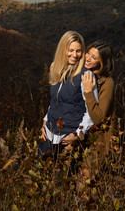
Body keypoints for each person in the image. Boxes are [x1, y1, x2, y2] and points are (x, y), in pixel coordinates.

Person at [39, 31, 96, 160]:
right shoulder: (56, 69)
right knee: (42, 174)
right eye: (70, 50)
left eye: (78, 51)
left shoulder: (86, 75)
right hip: (48, 134)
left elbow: (91, 110)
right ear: (63, 49)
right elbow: (55, 100)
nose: (74, 55)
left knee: (65, 177)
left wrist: (77, 134)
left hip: (68, 138)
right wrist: (45, 122)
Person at [81, 40, 115, 173]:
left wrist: (89, 92)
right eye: (88, 53)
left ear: (102, 62)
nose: (88, 58)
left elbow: (100, 119)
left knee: (87, 180)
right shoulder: (85, 75)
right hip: (81, 136)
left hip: (97, 141)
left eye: (94, 57)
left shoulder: (107, 83)